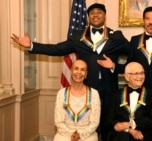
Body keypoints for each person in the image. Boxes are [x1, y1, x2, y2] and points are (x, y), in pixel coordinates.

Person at [11, 3, 130, 141]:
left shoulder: (116, 37)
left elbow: (135, 56)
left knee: (108, 126)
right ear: (88, 17)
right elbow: (57, 49)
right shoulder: (77, 36)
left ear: (105, 16)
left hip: (110, 90)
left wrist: (115, 66)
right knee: (87, 125)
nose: (96, 15)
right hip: (87, 89)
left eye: (99, 12)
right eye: (92, 13)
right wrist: (32, 45)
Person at [105, 62, 152, 141]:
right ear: (127, 76)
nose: (140, 76)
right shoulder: (116, 95)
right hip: (122, 136)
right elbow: (109, 121)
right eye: (136, 73)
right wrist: (129, 130)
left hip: (144, 134)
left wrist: (131, 124)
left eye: (142, 73)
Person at [53, 59, 101, 141]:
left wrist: (80, 135)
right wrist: (71, 134)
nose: (79, 72)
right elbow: (58, 121)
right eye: (76, 68)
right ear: (71, 71)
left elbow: (94, 122)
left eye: (82, 70)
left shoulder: (94, 94)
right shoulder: (61, 93)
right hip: (64, 134)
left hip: (87, 135)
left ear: (86, 74)